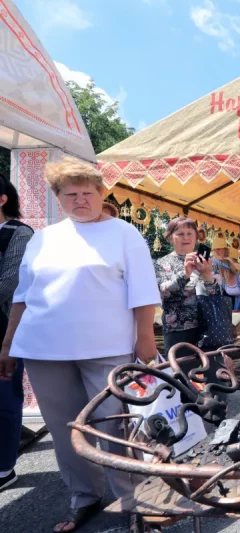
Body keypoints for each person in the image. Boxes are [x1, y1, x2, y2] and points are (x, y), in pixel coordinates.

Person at [0, 158, 162, 532]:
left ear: (101, 193)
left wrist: (145, 338)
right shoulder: (43, 238)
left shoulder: (124, 234)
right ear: (58, 199)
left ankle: (134, 501)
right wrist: (8, 344)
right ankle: (84, 498)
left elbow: (142, 292)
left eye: (87, 192)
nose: (80, 200)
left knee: (115, 428)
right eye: (70, 194)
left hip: (108, 348)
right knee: (65, 429)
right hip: (44, 350)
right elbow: (23, 296)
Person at [0, 178, 33, 492]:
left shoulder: (19, 234)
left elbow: (10, 282)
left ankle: (4, 468)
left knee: (4, 399)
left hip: (5, 329)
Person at [154, 217, 219, 356]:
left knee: (214, 374)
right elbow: (163, 294)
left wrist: (207, 275)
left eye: (190, 233)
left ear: (196, 237)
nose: (186, 238)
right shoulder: (161, 263)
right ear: (170, 238)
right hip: (178, 330)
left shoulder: (207, 262)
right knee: (181, 375)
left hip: (208, 328)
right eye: (180, 234)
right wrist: (185, 274)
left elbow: (217, 297)